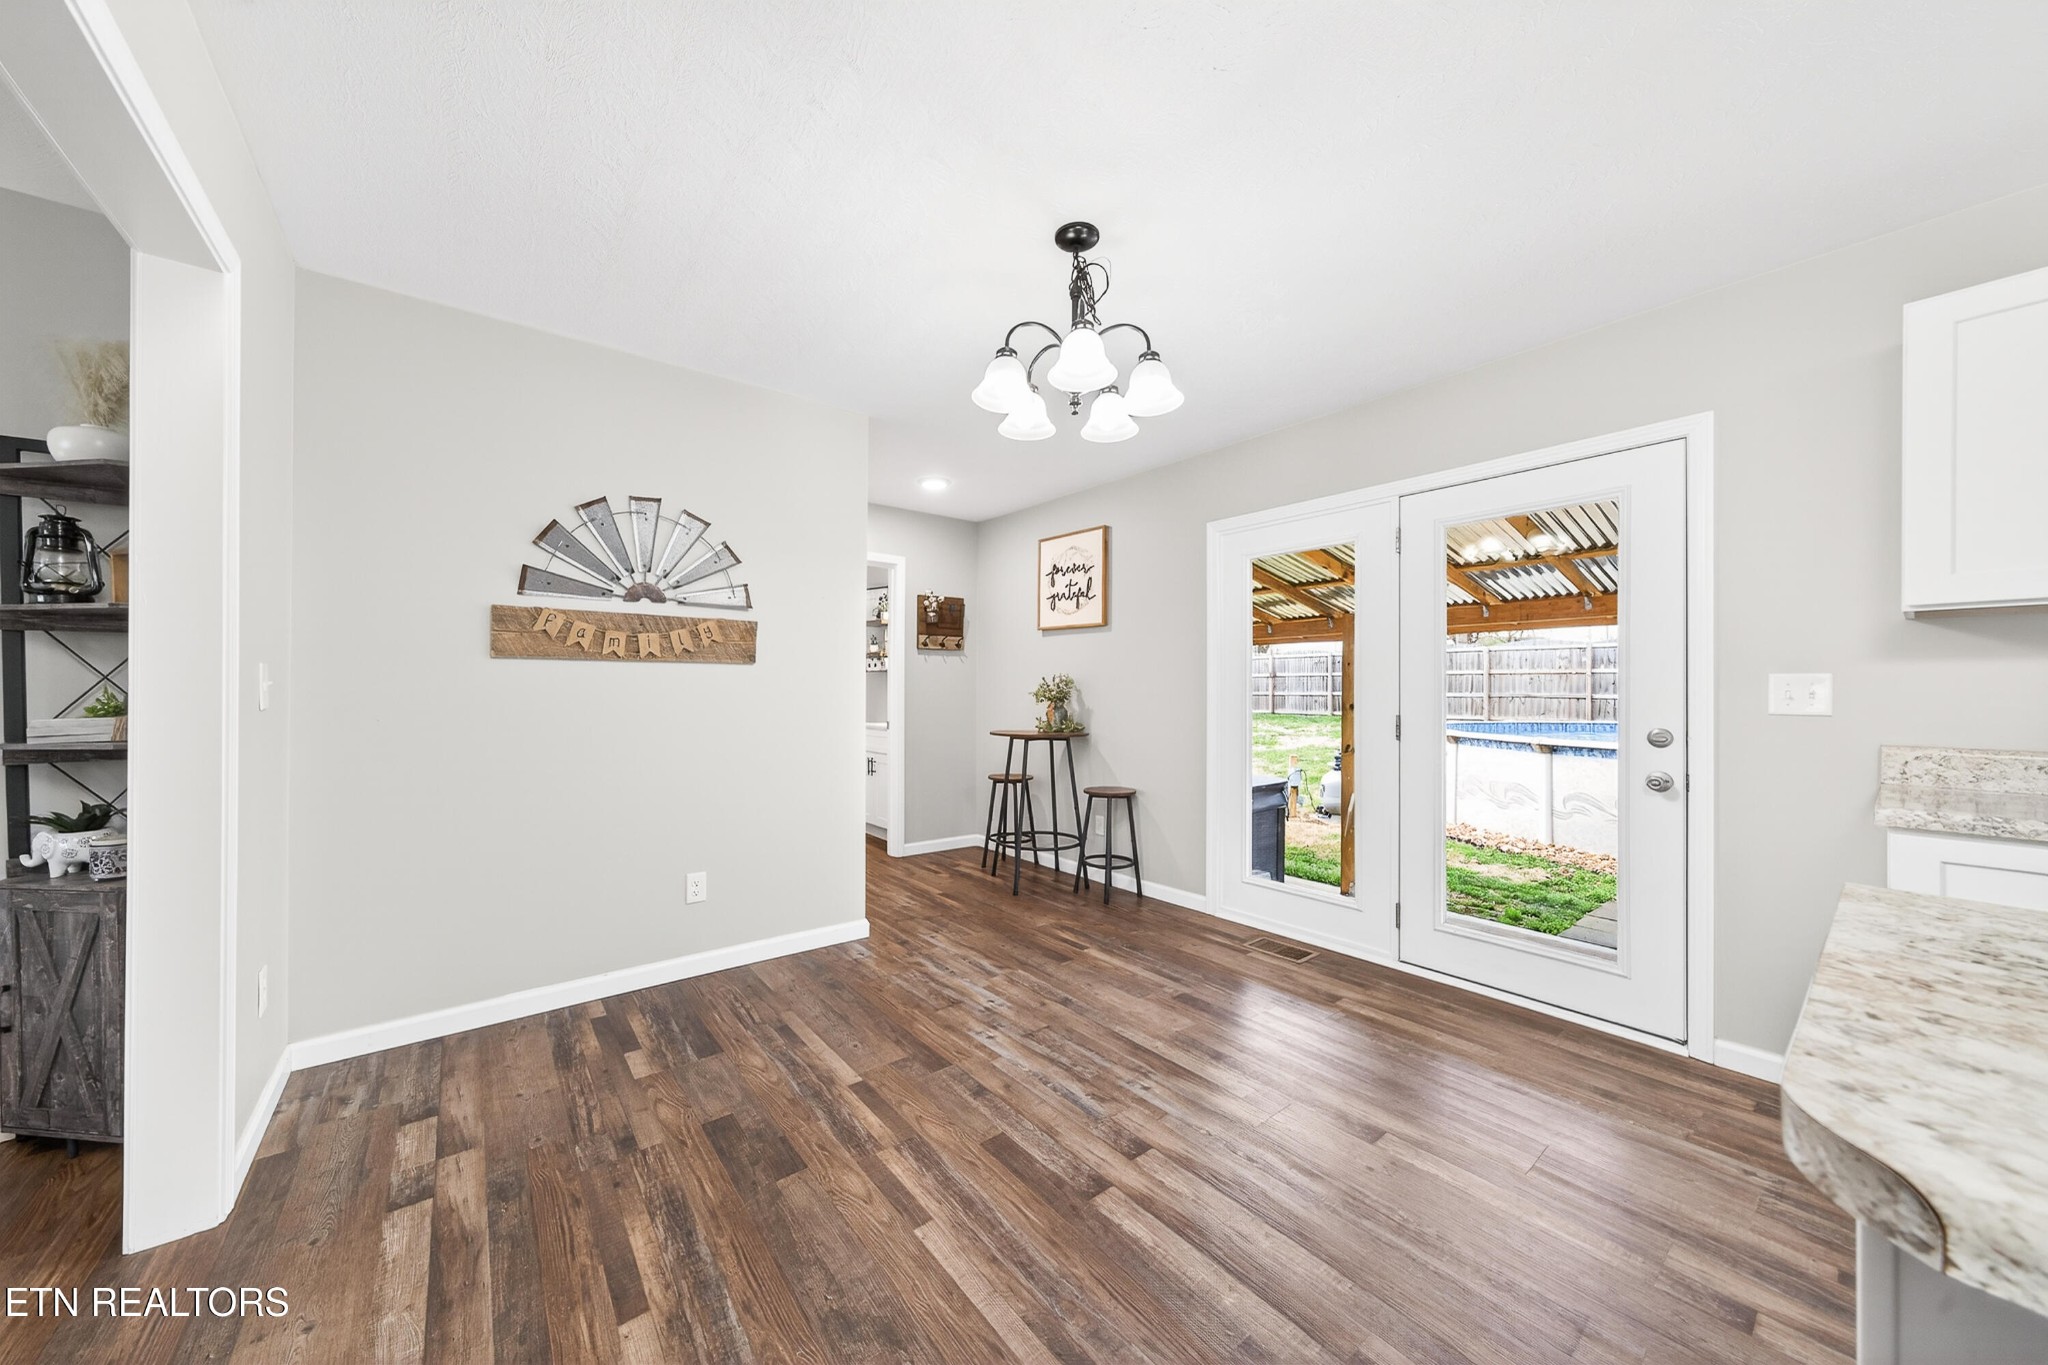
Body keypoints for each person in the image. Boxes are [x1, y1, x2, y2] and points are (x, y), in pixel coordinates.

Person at [1286, 755, 1305, 819]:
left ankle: (1293, 812)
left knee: (1295, 792)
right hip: (1292, 785)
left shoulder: (1296, 771)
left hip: (1295, 785)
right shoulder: (1292, 771)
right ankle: (1291, 812)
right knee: (1292, 792)